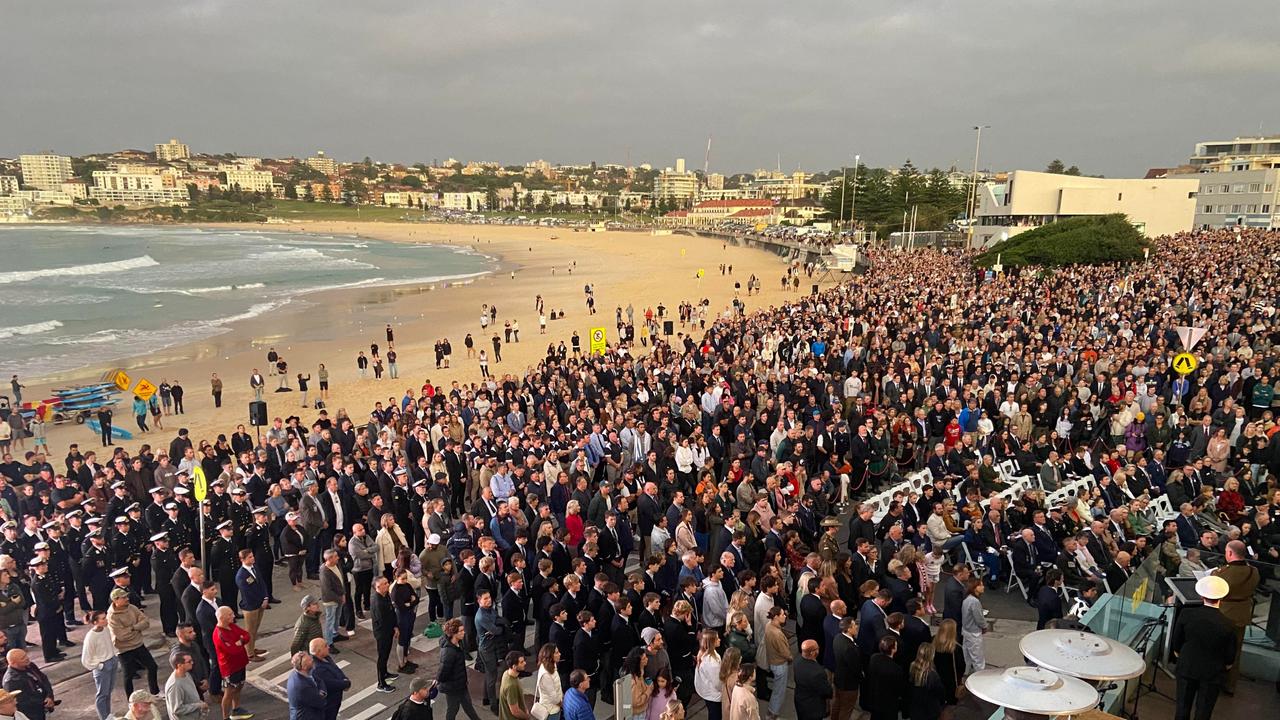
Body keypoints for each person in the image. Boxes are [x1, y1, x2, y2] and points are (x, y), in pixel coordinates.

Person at [1171, 576, 1237, 720]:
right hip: (1212, 673)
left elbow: (1176, 642)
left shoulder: (1187, 614)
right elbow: (1230, 658)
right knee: (1204, 712)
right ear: (1222, 597)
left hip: (1187, 667)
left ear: (1201, 595)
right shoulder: (1229, 624)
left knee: (1182, 709)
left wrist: (1181, 655)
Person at [1212, 539, 1259, 694]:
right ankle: (1230, 684)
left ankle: (1213, 680)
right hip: (1243, 613)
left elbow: (1214, 587)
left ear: (1230, 553)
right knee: (1235, 651)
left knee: (1217, 648)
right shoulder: (1254, 571)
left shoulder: (1224, 573)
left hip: (1224, 613)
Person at [109, 587, 160, 698]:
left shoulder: (131, 608)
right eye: (124, 597)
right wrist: (137, 629)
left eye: (127, 596)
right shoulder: (112, 616)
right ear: (116, 600)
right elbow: (121, 636)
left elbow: (146, 622)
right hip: (124, 649)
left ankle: (155, 692)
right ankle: (131, 700)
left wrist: (132, 628)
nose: (127, 599)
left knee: (152, 666)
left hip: (138, 644)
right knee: (128, 676)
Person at [211, 606, 253, 720]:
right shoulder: (220, 634)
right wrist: (240, 642)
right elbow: (233, 650)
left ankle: (236, 709)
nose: (233, 616)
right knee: (229, 692)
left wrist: (240, 641)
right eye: (230, 614)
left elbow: (246, 635)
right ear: (222, 617)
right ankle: (225, 717)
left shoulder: (231, 626)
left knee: (239, 686)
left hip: (240, 663)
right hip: (230, 668)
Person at [438, 618, 481, 720]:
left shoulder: (458, 643)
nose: (464, 633)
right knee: (453, 709)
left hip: (460, 683)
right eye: (461, 631)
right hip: (453, 687)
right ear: (453, 633)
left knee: (467, 706)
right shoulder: (449, 652)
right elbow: (443, 673)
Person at [81, 610, 118, 720]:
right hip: (103, 666)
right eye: (102, 618)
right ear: (95, 622)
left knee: (108, 692)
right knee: (102, 694)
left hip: (111, 661)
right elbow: (86, 659)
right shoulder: (91, 637)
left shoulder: (105, 629)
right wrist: (99, 665)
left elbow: (110, 643)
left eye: (105, 617)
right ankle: (104, 717)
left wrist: (114, 656)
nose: (106, 620)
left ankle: (108, 714)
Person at [2, 649, 55, 720]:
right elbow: (21, 702)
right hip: (31, 714)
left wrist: (49, 696)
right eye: (23, 658)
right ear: (13, 663)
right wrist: (44, 703)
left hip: (43, 706)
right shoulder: (11, 681)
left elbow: (43, 679)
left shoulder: (30, 665)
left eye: (25, 655)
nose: (27, 658)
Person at [864, 636, 905, 720]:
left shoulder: (874, 658)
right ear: (893, 649)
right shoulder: (896, 669)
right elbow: (899, 689)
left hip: (874, 700)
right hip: (888, 705)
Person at [763, 605, 792, 720]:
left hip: (773, 661)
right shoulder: (777, 634)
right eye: (782, 614)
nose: (785, 616)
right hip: (779, 664)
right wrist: (790, 657)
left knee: (777, 689)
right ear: (775, 617)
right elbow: (785, 653)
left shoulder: (768, 625)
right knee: (779, 691)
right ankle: (772, 714)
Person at [308, 638, 349, 720]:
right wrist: (346, 683)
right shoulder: (318, 669)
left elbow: (336, 669)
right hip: (329, 704)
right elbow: (331, 684)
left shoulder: (326, 657)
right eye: (325, 646)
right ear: (319, 651)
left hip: (334, 701)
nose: (328, 647)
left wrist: (344, 678)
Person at [793, 639, 832, 720]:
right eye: (817, 648)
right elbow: (826, 691)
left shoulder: (797, 662)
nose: (819, 649)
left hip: (800, 702)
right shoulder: (818, 672)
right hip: (813, 709)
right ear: (812, 652)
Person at [371, 576, 398, 693]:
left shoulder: (385, 595)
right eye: (385, 583)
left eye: (387, 582)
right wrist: (393, 629)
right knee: (382, 657)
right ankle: (381, 683)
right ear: (378, 587)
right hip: (382, 633)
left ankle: (385, 673)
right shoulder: (378, 602)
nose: (388, 585)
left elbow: (391, 612)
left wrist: (395, 626)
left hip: (389, 630)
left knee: (386, 655)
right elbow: (383, 621)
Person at [165, 651, 209, 720]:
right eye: (189, 662)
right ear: (179, 665)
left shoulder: (187, 674)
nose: (192, 663)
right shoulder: (175, 685)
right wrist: (198, 705)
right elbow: (177, 710)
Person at [285, 651, 328, 720]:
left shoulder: (302, 673)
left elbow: (320, 681)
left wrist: (321, 691)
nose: (312, 660)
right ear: (304, 667)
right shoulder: (302, 686)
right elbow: (320, 702)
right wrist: (322, 693)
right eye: (310, 661)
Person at [907, 644, 944, 720]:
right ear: (931, 656)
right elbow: (940, 692)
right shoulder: (932, 675)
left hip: (915, 708)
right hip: (930, 711)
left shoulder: (912, 667)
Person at [694, 630, 724, 720]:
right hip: (713, 694)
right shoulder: (711, 662)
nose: (720, 639)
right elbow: (717, 683)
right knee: (715, 716)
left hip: (709, 692)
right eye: (717, 638)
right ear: (711, 642)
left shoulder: (707, 653)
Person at [960, 578, 986, 672]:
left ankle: (965, 672)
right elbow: (979, 618)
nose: (983, 587)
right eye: (981, 585)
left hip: (966, 630)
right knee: (978, 658)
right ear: (975, 588)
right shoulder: (975, 602)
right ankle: (979, 676)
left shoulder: (967, 599)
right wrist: (984, 626)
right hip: (974, 632)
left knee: (967, 655)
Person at [534, 643, 565, 720]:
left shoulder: (552, 665)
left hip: (555, 708)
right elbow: (553, 697)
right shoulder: (545, 675)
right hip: (551, 711)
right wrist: (563, 705)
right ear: (550, 656)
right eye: (556, 653)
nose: (559, 654)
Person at [499, 650, 528, 720]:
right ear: (514, 666)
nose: (525, 663)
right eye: (521, 662)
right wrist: (527, 717)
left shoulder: (506, 673)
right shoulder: (511, 686)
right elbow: (515, 711)